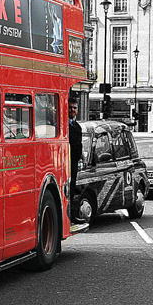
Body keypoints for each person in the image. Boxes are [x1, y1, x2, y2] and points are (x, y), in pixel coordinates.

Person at [68, 97, 85, 230]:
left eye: (75, 108)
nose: (73, 110)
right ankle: (68, 216)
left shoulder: (77, 126)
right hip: (65, 162)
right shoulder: (64, 125)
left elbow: (79, 144)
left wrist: (82, 157)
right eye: (71, 107)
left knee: (73, 190)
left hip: (74, 162)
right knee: (67, 190)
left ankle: (72, 216)